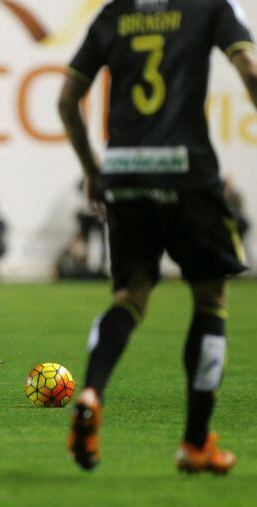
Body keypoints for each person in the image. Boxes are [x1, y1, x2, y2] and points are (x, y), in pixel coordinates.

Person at [59, 0, 257, 474]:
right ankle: (195, 444)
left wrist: (92, 170)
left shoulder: (113, 13)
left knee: (131, 294)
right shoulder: (210, 6)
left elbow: (67, 99)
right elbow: (248, 66)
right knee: (211, 299)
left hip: (125, 173)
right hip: (186, 170)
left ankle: (91, 390)